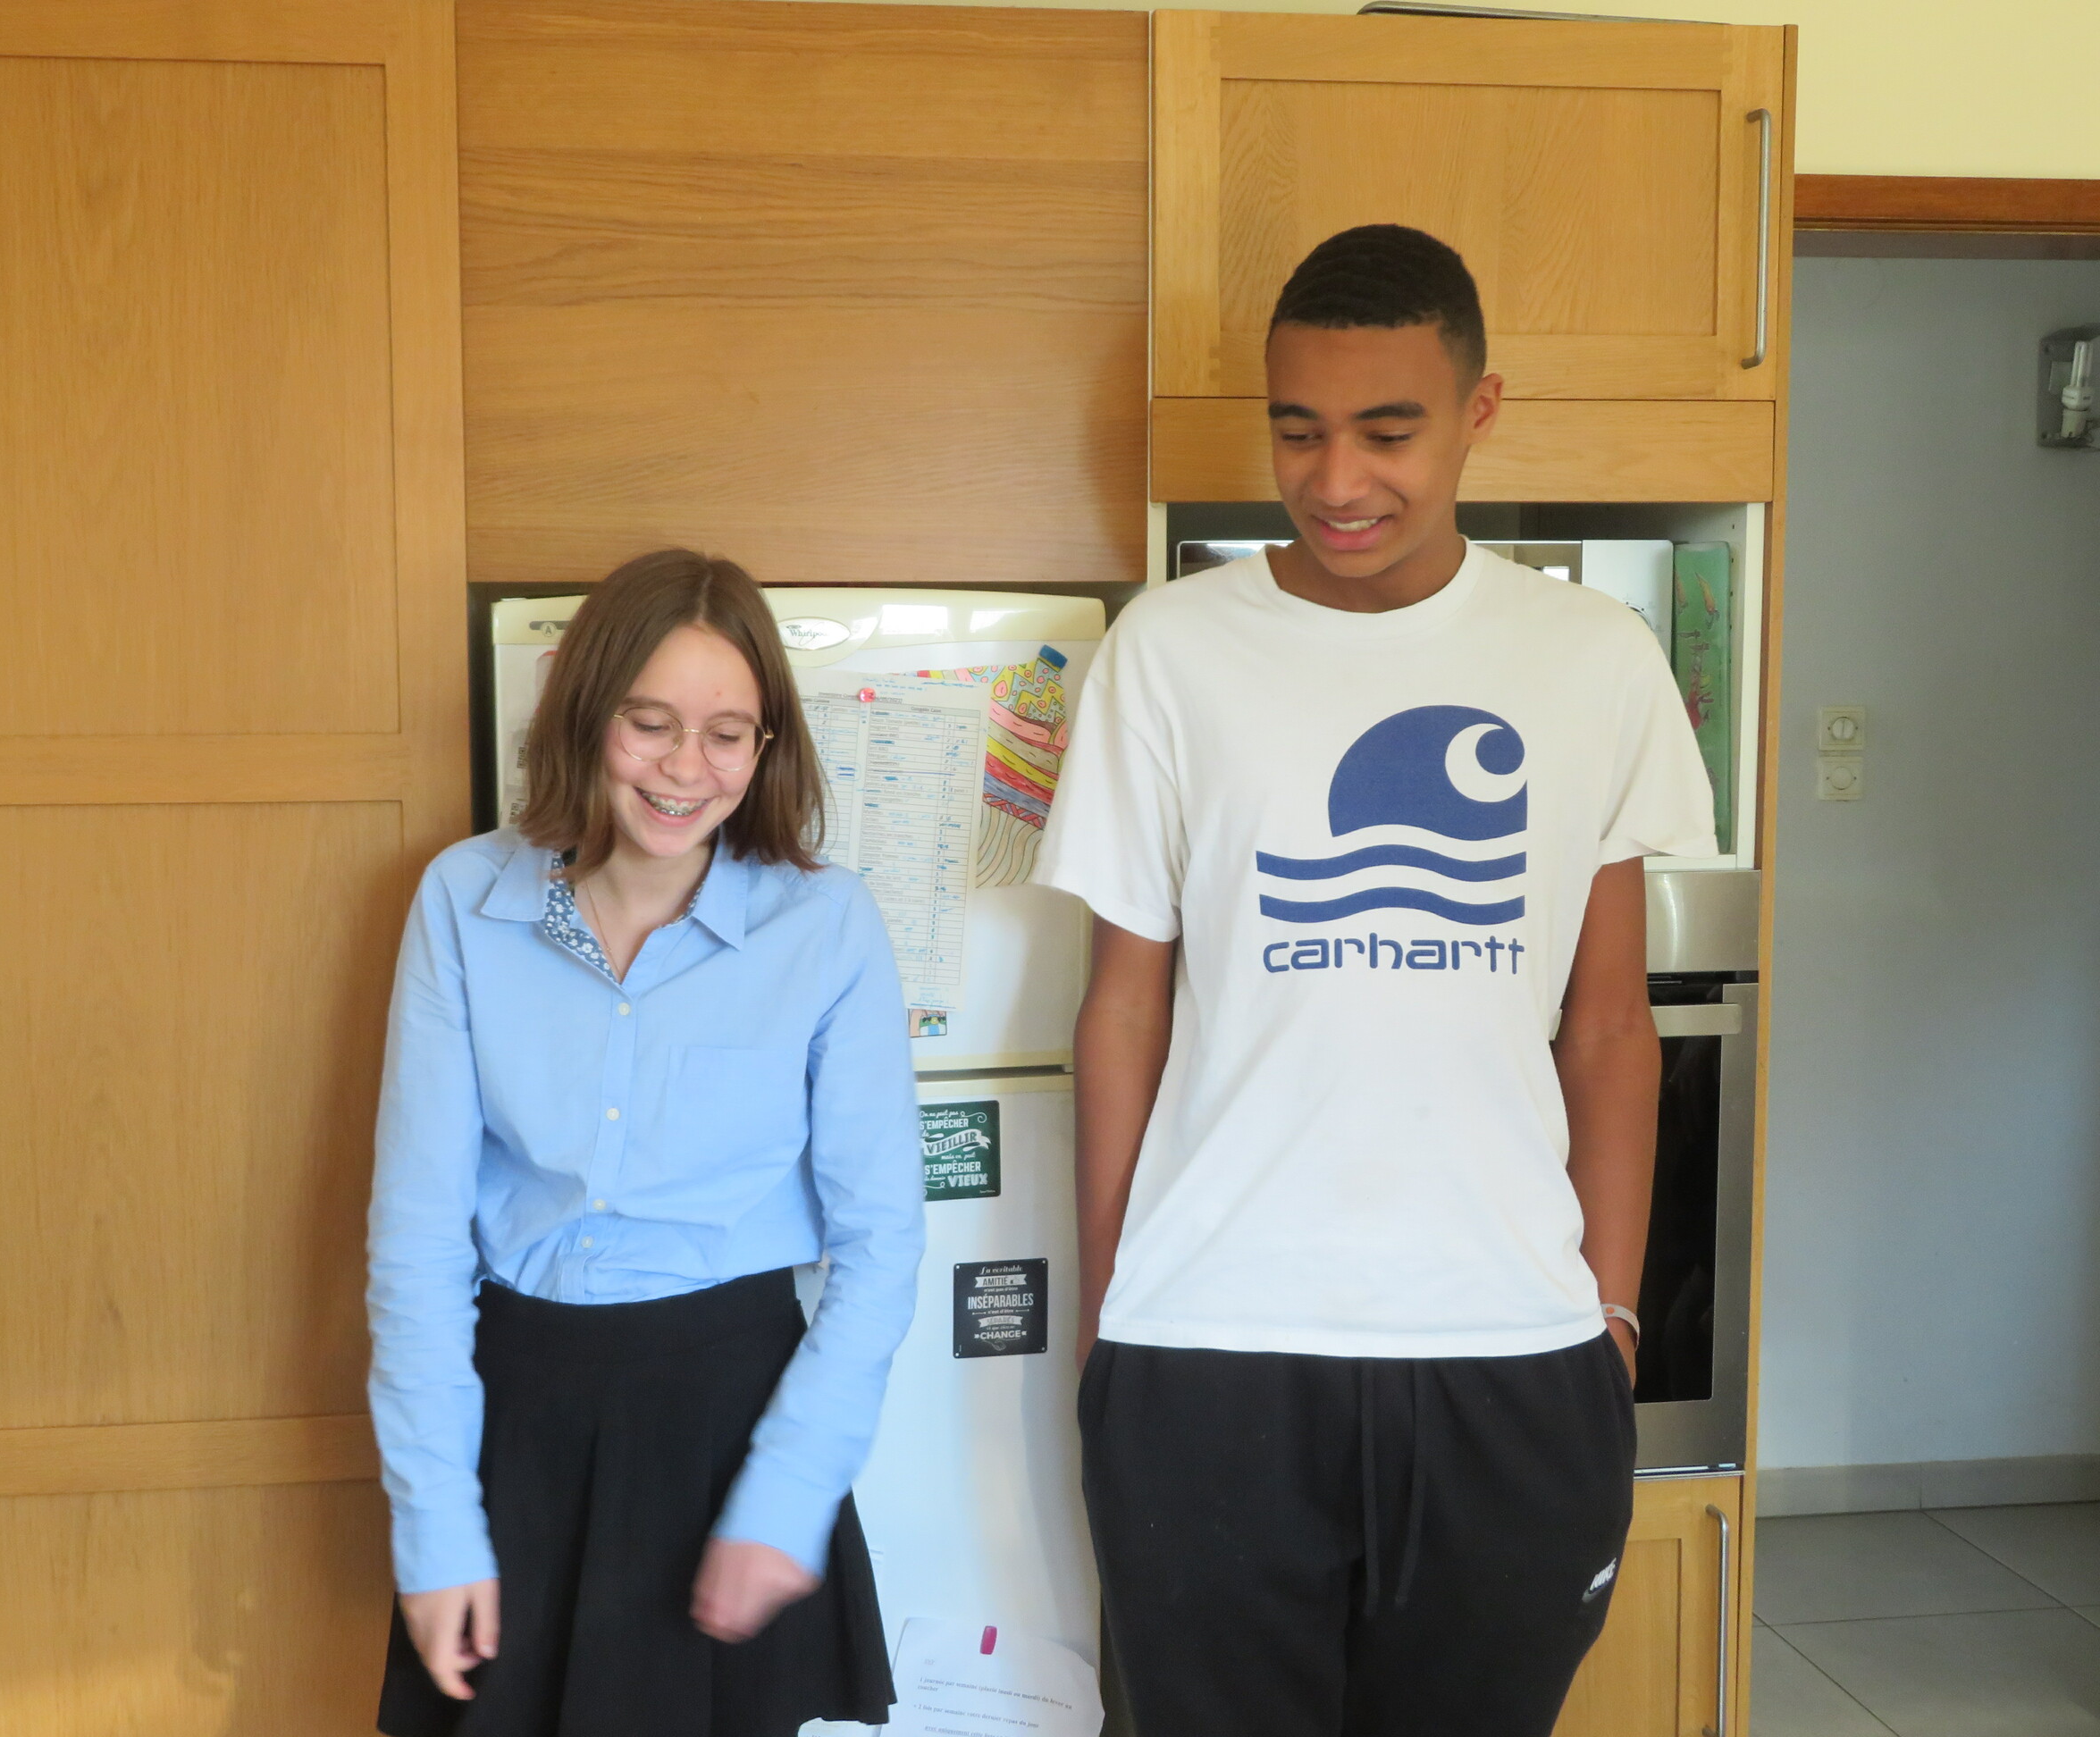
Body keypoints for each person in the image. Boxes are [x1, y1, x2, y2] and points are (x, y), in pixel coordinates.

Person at [1035, 224, 1716, 1736]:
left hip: (1510, 1353)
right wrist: (1109, 1324)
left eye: (1388, 432)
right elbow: (1123, 1007)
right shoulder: (1169, 652)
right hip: (1207, 1347)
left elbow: (1610, 1025)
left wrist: (1610, 1318)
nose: (1337, 480)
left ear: (1479, 411)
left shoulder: (1593, 659)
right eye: (1299, 431)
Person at [367, 549, 923, 1736]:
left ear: (766, 746)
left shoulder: (826, 924)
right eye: (650, 724)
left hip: (735, 1425)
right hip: (517, 1428)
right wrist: (435, 1526)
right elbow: (416, 1243)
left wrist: (787, 1496)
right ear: (586, 716)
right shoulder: (463, 901)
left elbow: (882, 1249)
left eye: (727, 735)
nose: (685, 769)